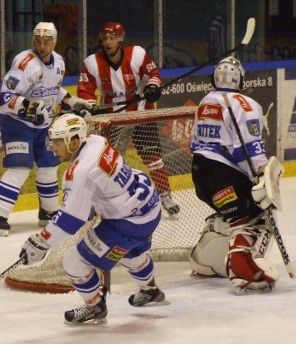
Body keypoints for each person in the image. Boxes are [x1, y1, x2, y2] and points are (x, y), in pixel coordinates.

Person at [19, 113, 168, 325]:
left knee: (74, 260)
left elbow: (71, 218)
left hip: (127, 222)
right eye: (52, 141)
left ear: (75, 141)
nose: (53, 147)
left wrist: (41, 243)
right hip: (150, 207)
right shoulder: (97, 141)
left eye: (58, 142)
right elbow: (101, 184)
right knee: (131, 252)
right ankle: (151, 290)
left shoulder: (79, 171)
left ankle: (95, 306)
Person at [0, 22, 95, 237]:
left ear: (54, 42)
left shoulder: (59, 63)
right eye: (38, 40)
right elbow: (5, 97)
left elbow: (52, 89)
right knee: (19, 168)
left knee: (48, 166)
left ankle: (47, 213)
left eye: (47, 41)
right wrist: (29, 107)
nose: (42, 45)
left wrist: (72, 101)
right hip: (16, 123)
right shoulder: (25, 62)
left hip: (42, 124)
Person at [188, 57, 280, 294]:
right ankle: (240, 268)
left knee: (231, 214)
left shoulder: (205, 101)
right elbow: (247, 149)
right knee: (256, 216)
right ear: (240, 79)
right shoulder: (247, 104)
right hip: (223, 176)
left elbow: (195, 145)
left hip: (200, 176)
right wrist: (259, 175)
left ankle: (204, 259)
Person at [76, 21, 180, 216]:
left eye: (112, 38)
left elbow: (153, 75)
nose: (108, 42)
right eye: (105, 38)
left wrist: (152, 88)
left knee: (153, 158)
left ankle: (165, 195)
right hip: (113, 120)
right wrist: (92, 108)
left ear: (120, 39)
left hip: (141, 113)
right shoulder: (92, 63)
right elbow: (85, 92)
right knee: (109, 162)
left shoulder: (137, 54)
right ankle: (99, 202)